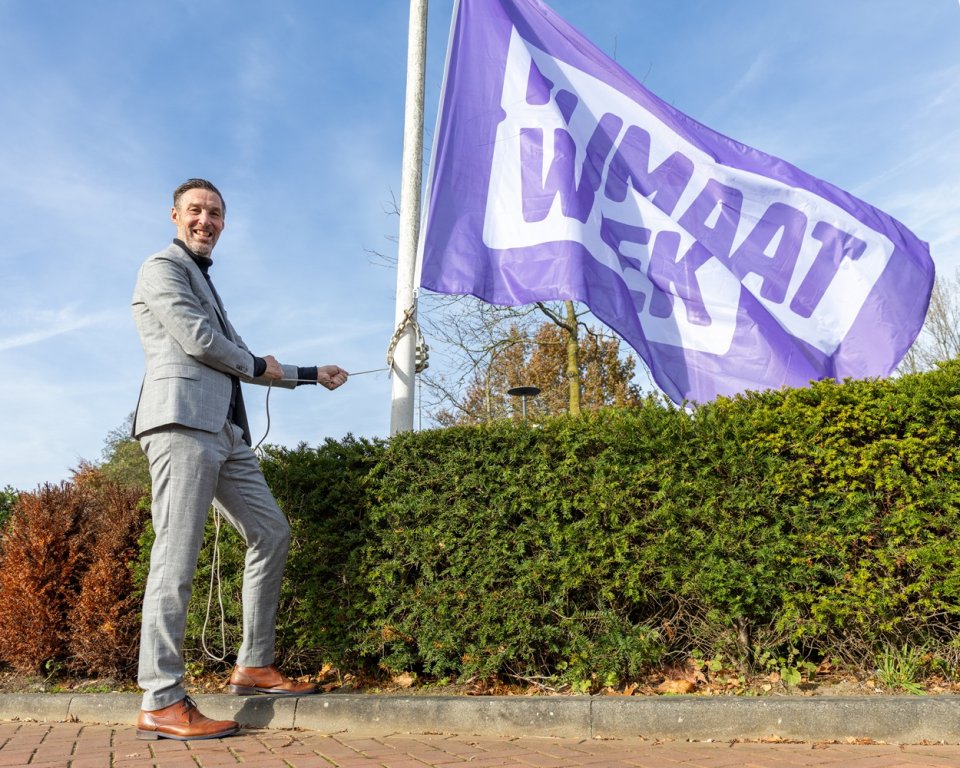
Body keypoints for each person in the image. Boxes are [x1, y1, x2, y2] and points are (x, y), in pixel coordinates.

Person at [131, 178, 349, 741]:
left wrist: (308, 373)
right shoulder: (162, 267)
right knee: (175, 560)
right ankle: (160, 698)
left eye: (217, 213)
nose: (207, 220)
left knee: (271, 532)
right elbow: (202, 341)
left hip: (228, 433)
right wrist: (261, 367)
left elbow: (244, 357)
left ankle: (252, 666)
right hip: (181, 424)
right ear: (175, 215)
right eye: (197, 211)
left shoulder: (204, 280)